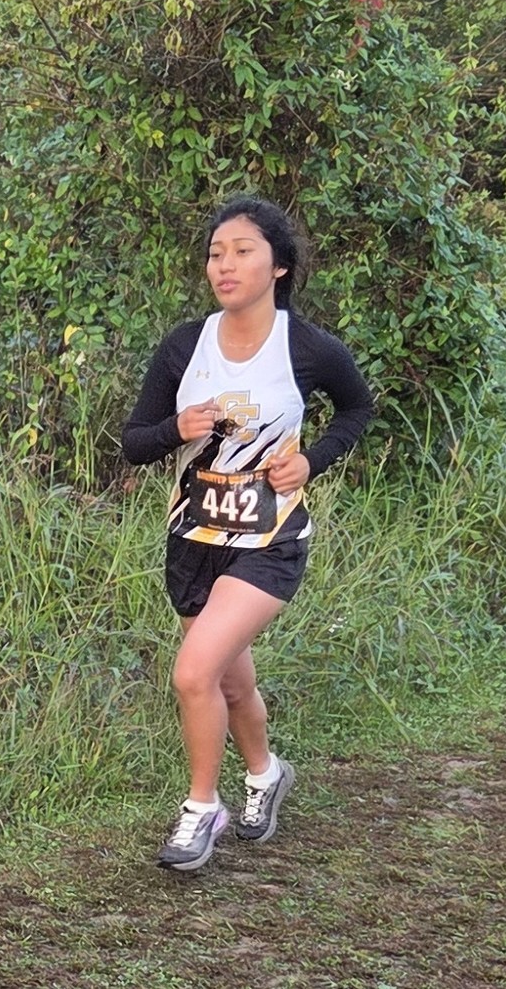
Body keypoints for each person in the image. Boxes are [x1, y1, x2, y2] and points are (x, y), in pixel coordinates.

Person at [121, 195, 375, 872]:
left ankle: (201, 808)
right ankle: (265, 773)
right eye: (215, 252)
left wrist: (310, 460)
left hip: (270, 540)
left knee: (194, 671)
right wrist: (176, 429)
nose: (225, 264)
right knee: (230, 684)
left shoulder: (307, 347)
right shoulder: (185, 345)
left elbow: (356, 407)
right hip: (194, 539)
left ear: (279, 267)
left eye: (242, 251)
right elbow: (133, 442)